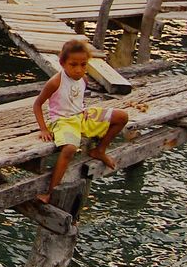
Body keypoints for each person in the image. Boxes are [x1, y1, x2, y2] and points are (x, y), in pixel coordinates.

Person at [33, 39, 130, 204]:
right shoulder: (55, 82)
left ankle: (100, 150)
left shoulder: (83, 79)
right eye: (73, 65)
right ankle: (50, 192)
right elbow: (37, 104)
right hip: (63, 120)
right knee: (70, 149)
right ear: (62, 63)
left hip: (81, 116)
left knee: (122, 117)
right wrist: (43, 129)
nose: (79, 69)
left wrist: (84, 110)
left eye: (83, 65)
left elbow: (78, 99)